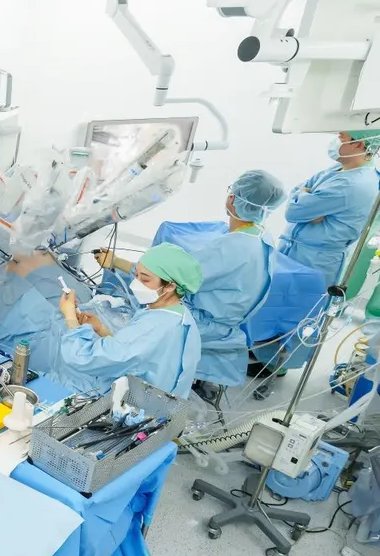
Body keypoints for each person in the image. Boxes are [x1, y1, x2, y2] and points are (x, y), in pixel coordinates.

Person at [95, 170, 286, 394]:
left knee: (115, 318)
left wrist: (116, 261)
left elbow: (166, 279)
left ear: (233, 199)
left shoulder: (231, 248)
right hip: (224, 314)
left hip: (204, 322)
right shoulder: (260, 234)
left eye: (231, 191)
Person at [58, 243, 203, 397]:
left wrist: (70, 317)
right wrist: (101, 329)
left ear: (170, 287)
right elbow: (137, 355)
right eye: (136, 275)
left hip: (137, 408)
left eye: (145, 280)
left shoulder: (153, 327)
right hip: (161, 401)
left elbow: (84, 358)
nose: (137, 283)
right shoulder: (179, 314)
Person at [280, 130, 380, 288]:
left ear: (359, 144)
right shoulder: (339, 169)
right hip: (296, 251)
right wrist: (305, 200)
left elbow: (293, 212)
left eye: (341, 137)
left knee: (300, 307)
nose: (336, 141)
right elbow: (296, 193)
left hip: (314, 260)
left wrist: (305, 198)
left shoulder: (352, 184)